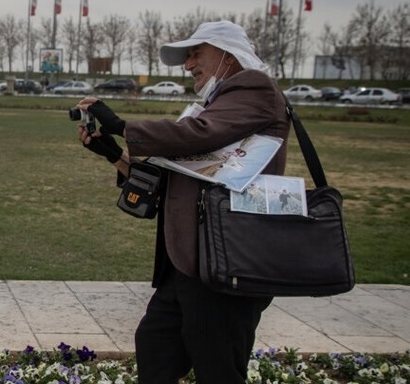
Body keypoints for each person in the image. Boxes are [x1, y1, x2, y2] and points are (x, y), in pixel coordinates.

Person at [73, 20, 289, 384]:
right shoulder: (218, 104)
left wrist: (122, 126)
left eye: (196, 54)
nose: (188, 65)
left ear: (228, 55)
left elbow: (197, 135)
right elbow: (179, 176)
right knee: (156, 347)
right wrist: (113, 154)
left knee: (217, 368)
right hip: (192, 261)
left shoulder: (255, 88)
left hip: (226, 259)